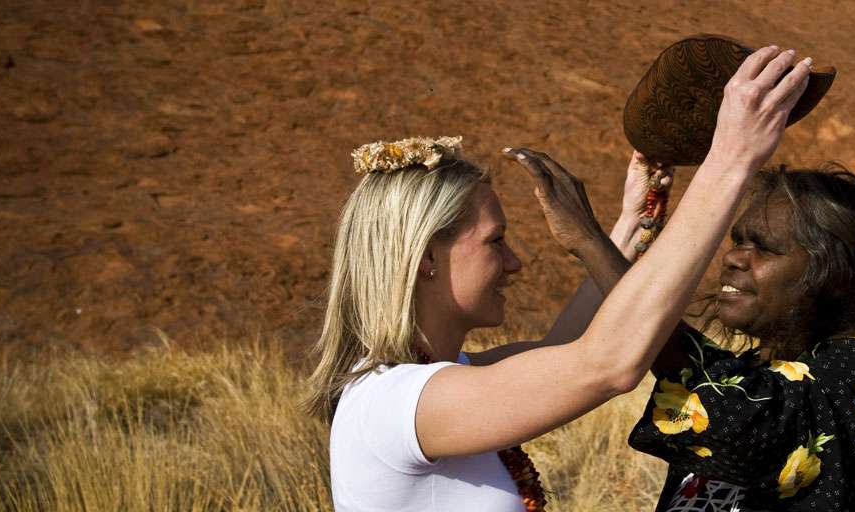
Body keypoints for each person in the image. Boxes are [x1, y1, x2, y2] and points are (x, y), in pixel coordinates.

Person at [303, 46, 815, 511]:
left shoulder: (431, 378)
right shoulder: (398, 404)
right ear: (425, 259)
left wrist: (632, 225)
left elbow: (566, 345)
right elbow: (607, 363)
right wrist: (730, 161)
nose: (514, 264)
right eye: (495, 241)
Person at [627, 165, 855, 511]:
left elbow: (734, 413)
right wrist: (627, 232)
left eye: (765, 247)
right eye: (739, 241)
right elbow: (704, 373)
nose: (733, 257)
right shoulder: (756, 372)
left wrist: (588, 242)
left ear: (832, 273)